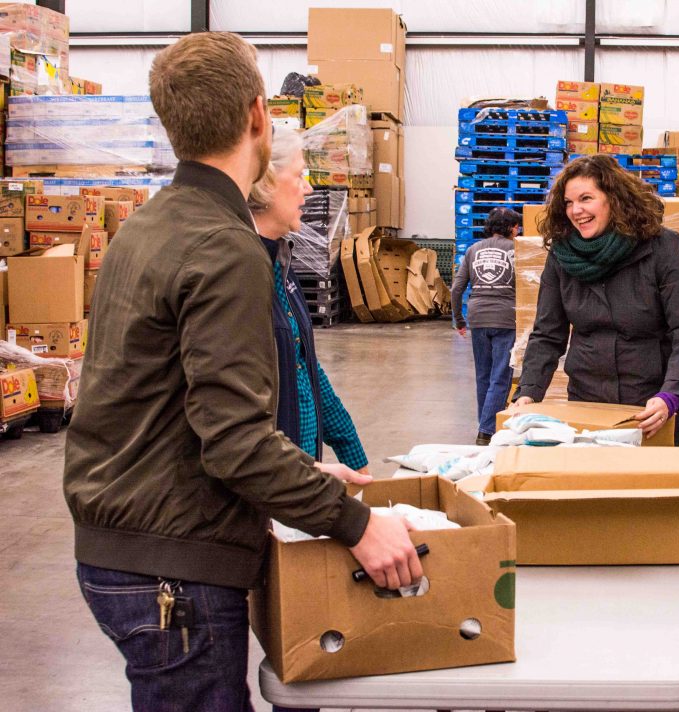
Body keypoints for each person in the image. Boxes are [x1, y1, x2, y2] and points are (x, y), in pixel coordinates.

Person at [63, 32, 421, 712]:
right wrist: (354, 524)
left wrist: (305, 475)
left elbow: (163, 409)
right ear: (258, 116)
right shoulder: (226, 250)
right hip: (173, 567)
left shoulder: (146, 227)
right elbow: (231, 439)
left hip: (127, 547)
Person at [511, 155, 679, 449]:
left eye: (586, 198)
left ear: (614, 199)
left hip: (653, 407)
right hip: (590, 405)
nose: (576, 210)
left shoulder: (661, 246)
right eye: (568, 202)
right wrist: (528, 391)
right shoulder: (562, 256)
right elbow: (547, 334)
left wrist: (671, 393)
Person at [249, 127, 370, 473]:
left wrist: (352, 452)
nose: (309, 188)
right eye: (300, 175)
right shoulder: (240, 278)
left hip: (299, 483)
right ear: (266, 181)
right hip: (273, 489)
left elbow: (305, 367)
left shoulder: (282, 265)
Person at [451, 207, 521, 445]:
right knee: (501, 376)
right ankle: (487, 430)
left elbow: (457, 288)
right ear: (512, 228)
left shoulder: (472, 250)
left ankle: (484, 423)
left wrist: (459, 321)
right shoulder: (516, 250)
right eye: (516, 227)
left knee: (484, 375)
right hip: (506, 318)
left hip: (478, 317)